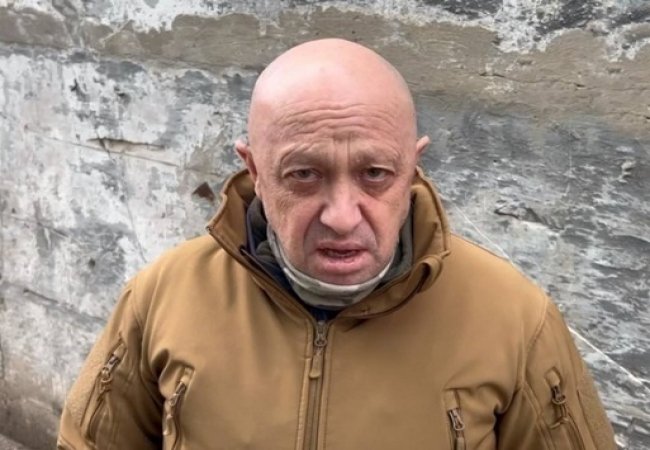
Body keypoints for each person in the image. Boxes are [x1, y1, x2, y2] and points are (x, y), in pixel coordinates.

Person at [57, 38, 616, 449]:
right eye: (304, 174)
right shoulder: (161, 296)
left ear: (413, 167)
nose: (343, 217)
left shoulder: (516, 320)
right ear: (254, 170)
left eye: (375, 174)